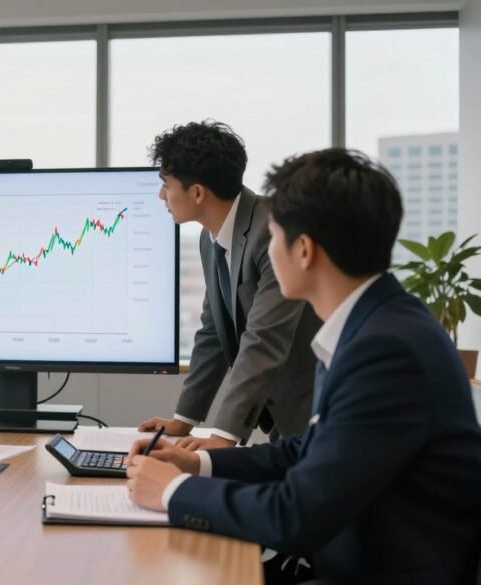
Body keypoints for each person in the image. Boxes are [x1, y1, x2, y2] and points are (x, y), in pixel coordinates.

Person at [126, 149, 481, 584]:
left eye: (273, 237)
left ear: (305, 250)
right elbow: (305, 450)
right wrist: (196, 466)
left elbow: (295, 515)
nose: (265, 251)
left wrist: (172, 491)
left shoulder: (386, 350)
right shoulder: (370, 326)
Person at [138, 121, 320, 449]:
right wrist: (184, 420)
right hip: (284, 411)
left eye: (166, 184)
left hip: (317, 409)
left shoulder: (271, 231)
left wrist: (223, 436)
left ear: (196, 193)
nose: (161, 195)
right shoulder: (212, 240)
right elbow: (213, 332)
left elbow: (263, 337)